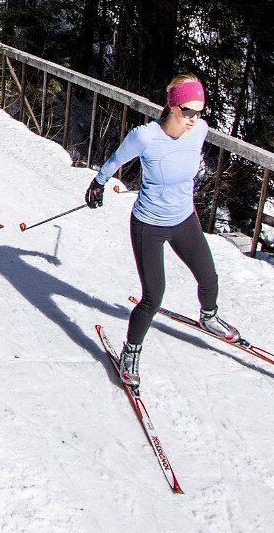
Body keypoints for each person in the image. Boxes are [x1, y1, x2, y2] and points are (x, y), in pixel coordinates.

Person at [86, 74, 239, 384]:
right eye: (188, 111)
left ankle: (208, 317)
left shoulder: (200, 131)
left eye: (200, 111)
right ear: (172, 106)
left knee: (209, 278)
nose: (194, 119)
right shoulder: (145, 137)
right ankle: (130, 352)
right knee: (153, 297)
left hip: (184, 220)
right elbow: (116, 159)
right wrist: (98, 183)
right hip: (149, 225)